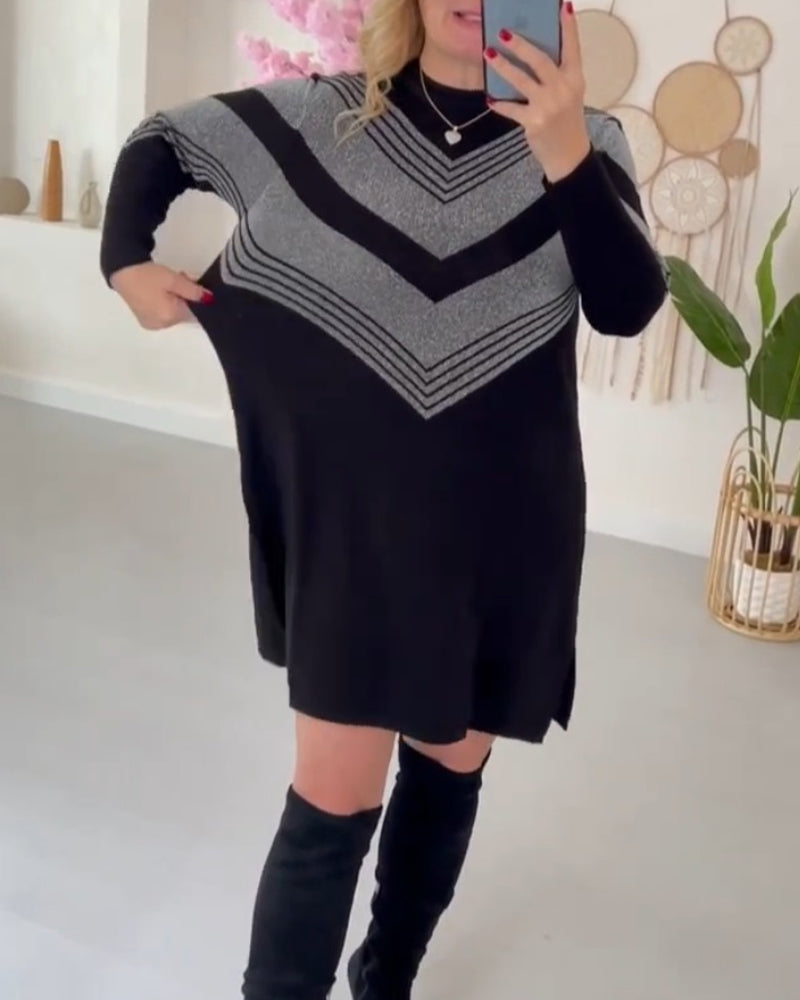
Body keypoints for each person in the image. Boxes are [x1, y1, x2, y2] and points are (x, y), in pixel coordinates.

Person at [100, 0, 666, 995]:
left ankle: (386, 976)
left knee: (447, 775)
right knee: (328, 807)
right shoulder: (318, 118)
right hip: (354, 538)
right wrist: (125, 262)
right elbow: (164, 141)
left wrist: (565, 152)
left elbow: (625, 308)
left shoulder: (590, 141)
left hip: (504, 533)